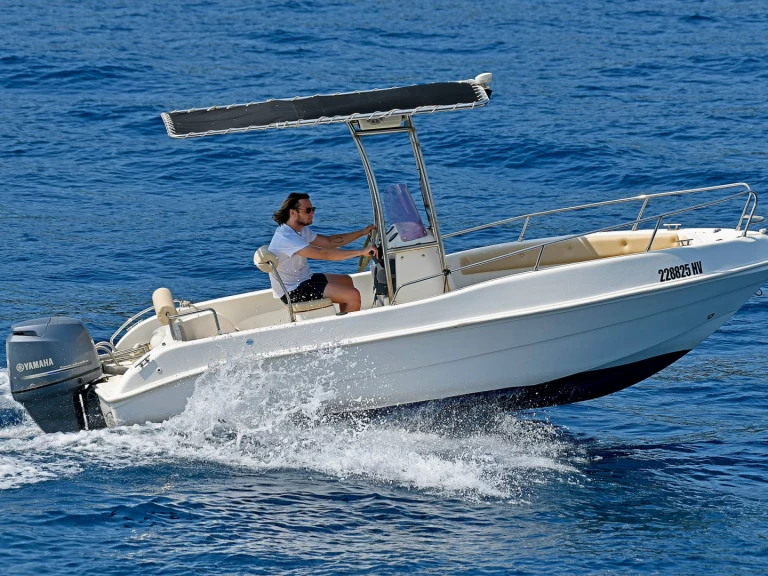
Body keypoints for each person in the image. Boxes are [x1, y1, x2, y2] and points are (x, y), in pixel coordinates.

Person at [267, 192, 378, 313]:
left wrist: (362, 232)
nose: (312, 213)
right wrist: (361, 252)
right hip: (293, 291)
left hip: (304, 280)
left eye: (313, 209)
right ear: (293, 213)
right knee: (352, 295)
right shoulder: (286, 238)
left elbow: (329, 241)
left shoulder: (300, 230)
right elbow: (323, 254)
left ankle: (345, 317)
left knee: (347, 281)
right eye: (308, 210)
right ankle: (346, 330)